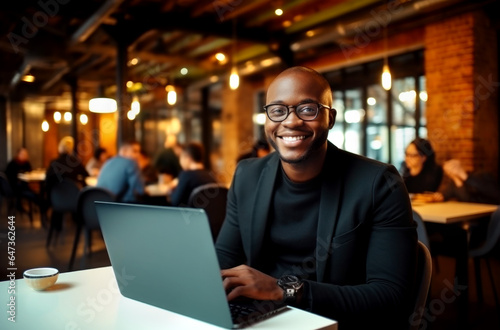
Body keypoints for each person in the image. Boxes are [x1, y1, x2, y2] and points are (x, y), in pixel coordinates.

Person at [215, 66, 417, 330]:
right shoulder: (247, 176)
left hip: (337, 323)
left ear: (330, 118)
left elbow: (392, 296)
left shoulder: (380, 184)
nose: (290, 121)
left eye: (307, 109)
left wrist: (283, 289)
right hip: (261, 320)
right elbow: (223, 260)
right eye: (277, 110)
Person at [431, 159, 500, 205]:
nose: (451, 173)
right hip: (469, 218)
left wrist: (463, 175)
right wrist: (440, 196)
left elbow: (494, 193)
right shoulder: (453, 184)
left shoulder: (480, 175)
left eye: (454, 168)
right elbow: (446, 194)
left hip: (487, 217)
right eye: (448, 172)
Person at [169, 142, 217, 206]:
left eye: (181, 157)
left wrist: (171, 189)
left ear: (188, 158)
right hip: (209, 215)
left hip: (189, 214)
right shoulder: (212, 175)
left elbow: (175, 201)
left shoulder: (185, 175)